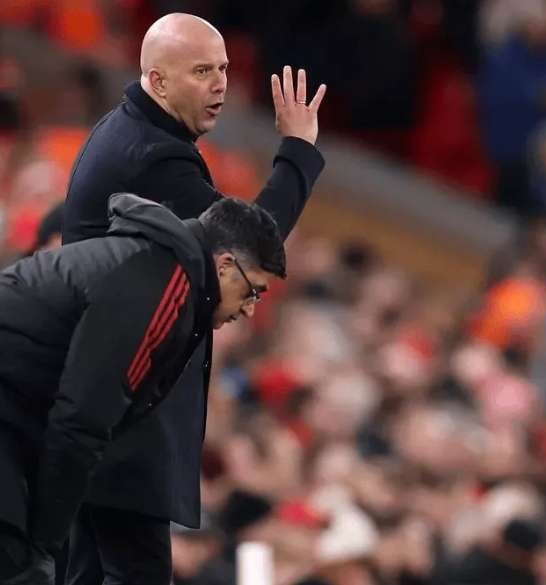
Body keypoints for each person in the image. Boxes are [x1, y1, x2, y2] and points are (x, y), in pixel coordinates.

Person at [61, 13, 326, 585]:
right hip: (122, 410)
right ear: (157, 81)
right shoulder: (154, 156)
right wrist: (298, 151)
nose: (220, 84)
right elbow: (248, 247)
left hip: (99, 400)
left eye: (224, 69)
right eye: (202, 71)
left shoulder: (136, 131)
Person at [0, 194, 286, 584]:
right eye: (253, 291)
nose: (250, 308)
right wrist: (45, 543)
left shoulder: (159, 267)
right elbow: (82, 420)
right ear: (224, 266)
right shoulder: (160, 284)